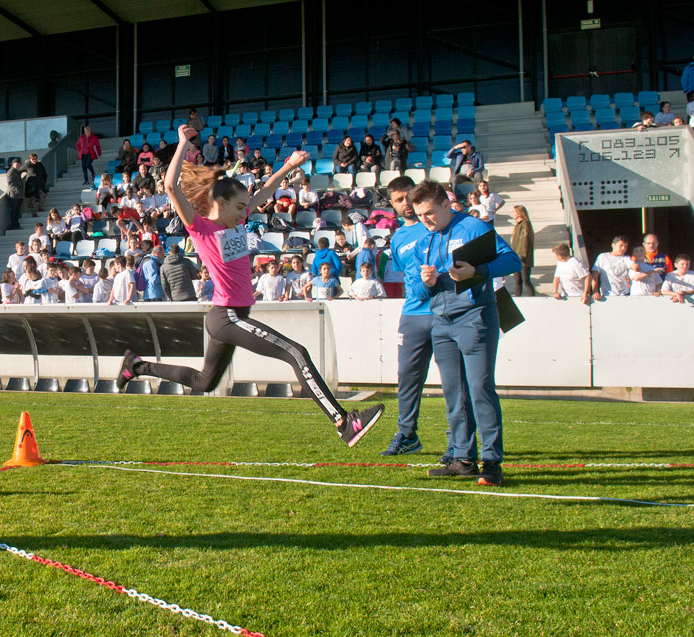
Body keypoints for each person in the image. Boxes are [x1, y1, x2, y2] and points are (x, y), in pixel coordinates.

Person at [116, 123, 384, 446]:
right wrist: (182, 144)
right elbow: (171, 187)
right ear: (221, 204)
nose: (247, 212)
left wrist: (288, 166)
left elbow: (263, 194)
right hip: (228, 316)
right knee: (296, 353)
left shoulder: (236, 220)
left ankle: (137, 365)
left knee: (204, 381)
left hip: (229, 315)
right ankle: (344, 422)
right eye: (240, 207)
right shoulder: (201, 228)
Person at [410, 180, 521, 486]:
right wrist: (427, 283)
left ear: (446, 204)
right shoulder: (424, 242)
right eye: (420, 215)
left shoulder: (474, 227)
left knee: (480, 389)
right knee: (454, 393)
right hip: (442, 320)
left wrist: (478, 271)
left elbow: (512, 260)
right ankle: (462, 458)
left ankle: (492, 463)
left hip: (476, 316)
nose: (426, 220)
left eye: (430, 212)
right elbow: (417, 292)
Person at [380, 175, 467, 459]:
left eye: (408, 196)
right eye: (399, 200)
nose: (405, 204)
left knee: (453, 380)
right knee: (407, 376)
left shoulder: (443, 224)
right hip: (413, 314)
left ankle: (458, 439)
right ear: (391, 204)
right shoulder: (398, 238)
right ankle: (407, 434)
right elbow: (408, 275)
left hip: (447, 311)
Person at [589, 236, 632, 300]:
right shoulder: (603, 257)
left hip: (625, 294)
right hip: (607, 294)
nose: (623, 248)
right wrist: (595, 291)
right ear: (613, 245)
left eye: (625, 246)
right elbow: (595, 274)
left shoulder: (627, 258)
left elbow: (633, 268)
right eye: (621, 245)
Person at [510, 205, 536, 296]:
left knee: (526, 280)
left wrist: (521, 256)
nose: (513, 214)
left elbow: (524, 242)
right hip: (516, 256)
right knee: (517, 280)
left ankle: (532, 297)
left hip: (522, 257)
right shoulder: (518, 225)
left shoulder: (525, 224)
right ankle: (517, 296)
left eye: (514, 212)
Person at [6, 158, 24, 230]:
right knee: (14, 210)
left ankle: (16, 224)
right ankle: (13, 224)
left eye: (19, 164)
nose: (18, 166)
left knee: (17, 211)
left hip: (18, 194)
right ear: (13, 164)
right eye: (17, 164)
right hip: (13, 194)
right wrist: (17, 187)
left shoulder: (17, 171)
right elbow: (10, 182)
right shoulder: (11, 172)